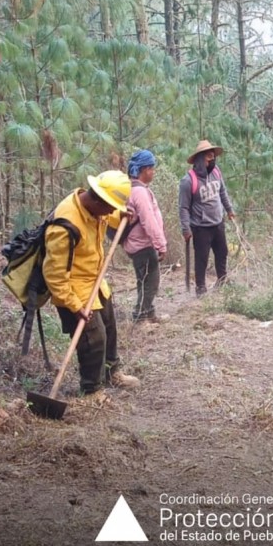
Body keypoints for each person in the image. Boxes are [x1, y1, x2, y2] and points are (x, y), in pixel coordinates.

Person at [42, 170, 140, 405]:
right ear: (98, 199)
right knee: (93, 338)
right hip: (72, 289)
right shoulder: (65, 225)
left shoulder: (96, 207)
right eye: (109, 207)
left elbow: (111, 214)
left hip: (95, 281)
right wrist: (74, 306)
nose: (110, 213)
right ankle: (91, 390)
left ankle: (111, 372)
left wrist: (121, 213)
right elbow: (54, 276)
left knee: (109, 326)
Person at [178, 139, 236, 297]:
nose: (212, 160)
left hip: (218, 223)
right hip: (200, 227)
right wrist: (186, 228)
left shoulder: (216, 172)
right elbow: (183, 207)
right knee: (201, 259)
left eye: (213, 156)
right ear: (199, 159)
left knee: (222, 252)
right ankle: (201, 288)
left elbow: (222, 192)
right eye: (208, 157)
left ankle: (222, 280)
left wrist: (229, 209)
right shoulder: (188, 181)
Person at [124, 149, 167, 323]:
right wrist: (160, 244)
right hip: (142, 245)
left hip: (137, 244)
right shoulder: (139, 192)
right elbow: (148, 220)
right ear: (144, 170)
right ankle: (140, 316)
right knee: (150, 281)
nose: (153, 172)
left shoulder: (134, 189)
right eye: (152, 168)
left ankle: (149, 313)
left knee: (145, 279)